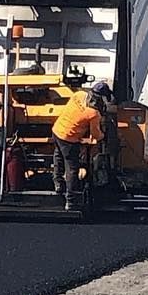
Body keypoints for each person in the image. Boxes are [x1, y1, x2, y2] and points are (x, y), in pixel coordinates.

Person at [51, 79, 108, 213]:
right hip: (69, 138)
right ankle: (71, 201)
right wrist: (103, 136)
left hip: (57, 130)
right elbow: (96, 134)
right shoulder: (94, 114)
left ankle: (58, 183)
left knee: (58, 155)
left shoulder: (79, 95)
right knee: (72, 168)